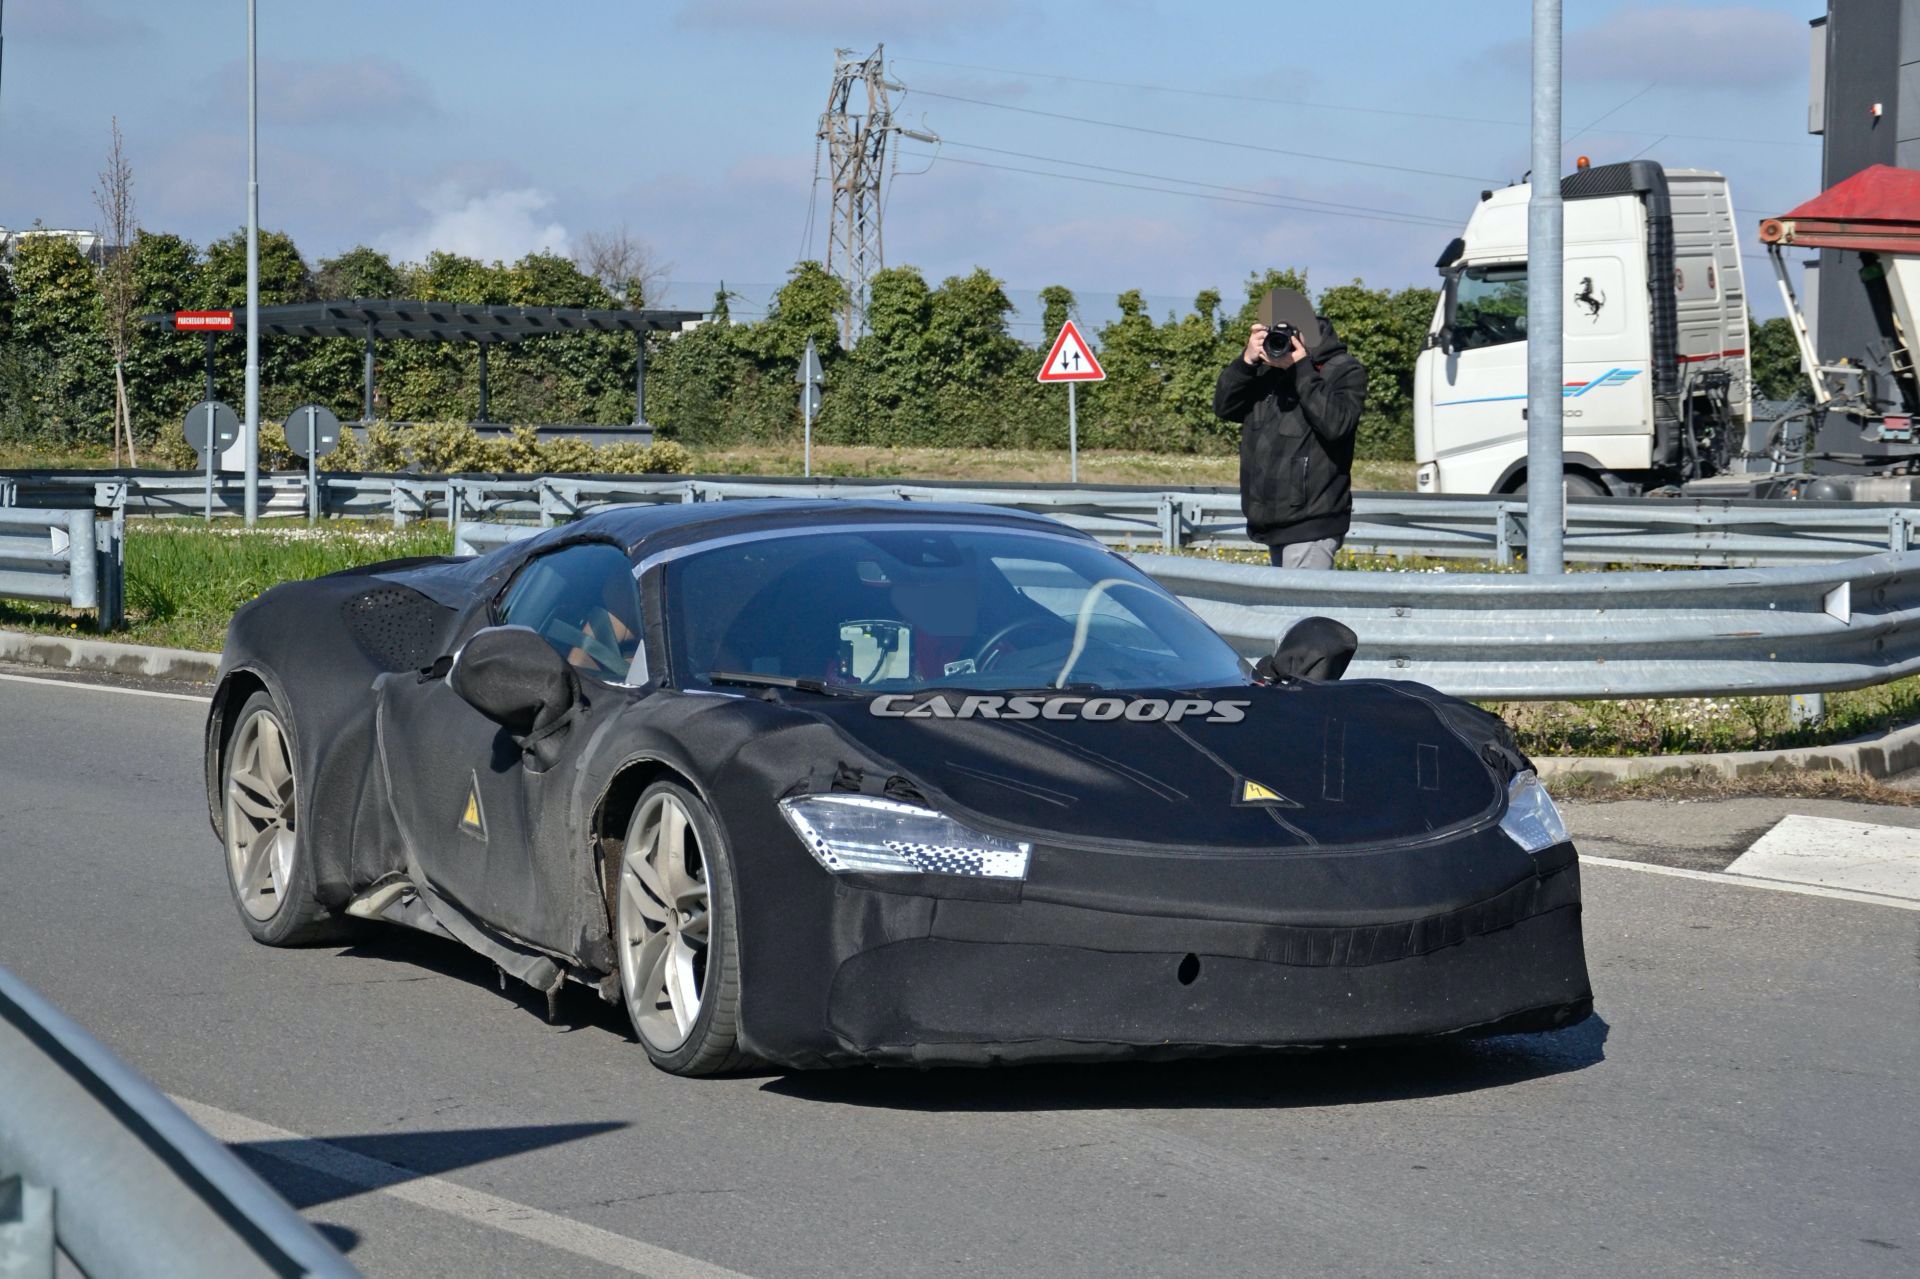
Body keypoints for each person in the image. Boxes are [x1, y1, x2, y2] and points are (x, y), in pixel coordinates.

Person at [1213, 298, 1368, 569]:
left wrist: (1301, 369)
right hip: (1272, 520)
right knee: (1288, 610)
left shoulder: (1343, 369)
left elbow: (1337, 424)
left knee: (1302, 607)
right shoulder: (1266, 369)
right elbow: (1225, 407)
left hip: (1312, 522)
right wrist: (1246, 361)